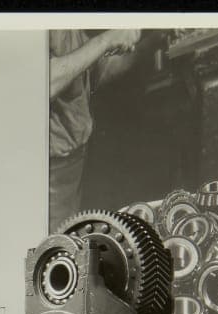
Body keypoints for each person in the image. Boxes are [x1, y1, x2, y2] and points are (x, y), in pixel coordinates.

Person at [48, 29, 141, 232]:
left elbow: (96, 72)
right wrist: (108, 39)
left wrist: (154, 38)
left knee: (70, 239)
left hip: (73, 158)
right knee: (53, 248)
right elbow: (46, 83)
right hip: (49, 169)